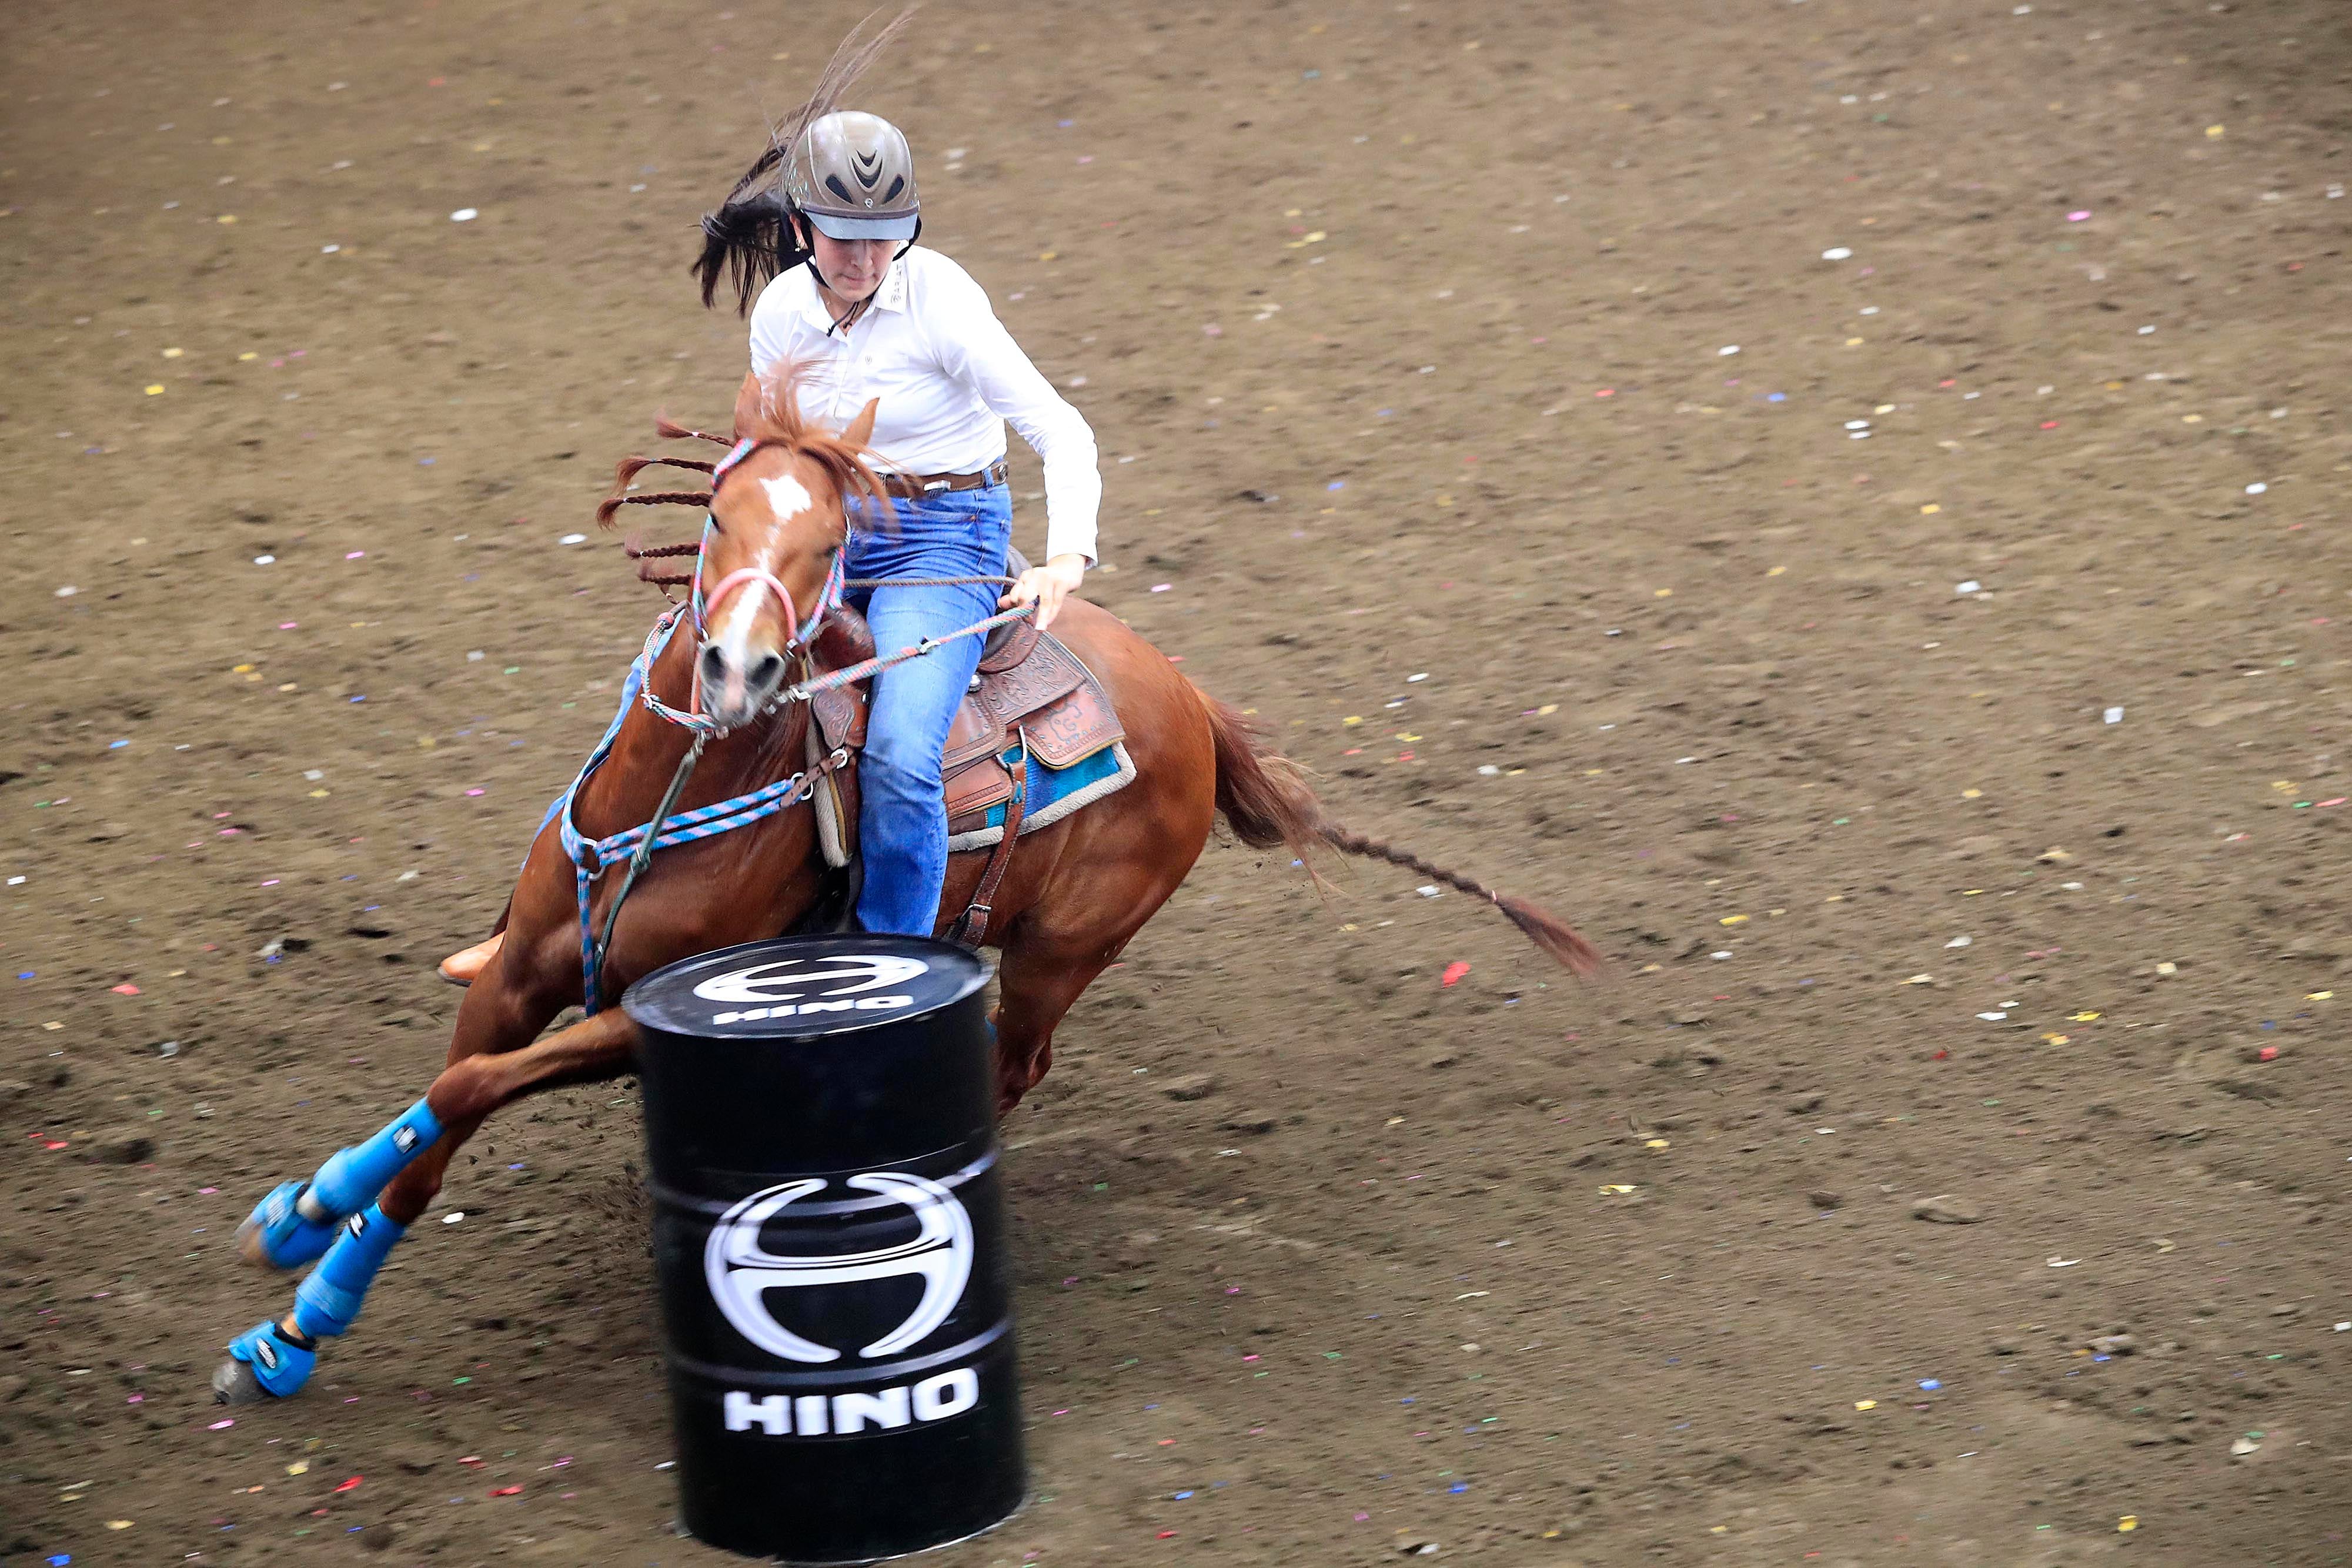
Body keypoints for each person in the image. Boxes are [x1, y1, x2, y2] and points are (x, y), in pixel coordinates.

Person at [437, 108, 1099, 981]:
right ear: (799, 230)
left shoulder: (945, 303)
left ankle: (890, 975)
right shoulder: (784, 313)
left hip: (943, 540)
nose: (864, 261)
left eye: (884, 241)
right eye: (842, 239)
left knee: (902, 752)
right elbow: (774, 451)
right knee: (670, 676)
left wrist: (1066, 559)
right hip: (825, 527)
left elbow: (1060, 428)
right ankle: (529, 922)